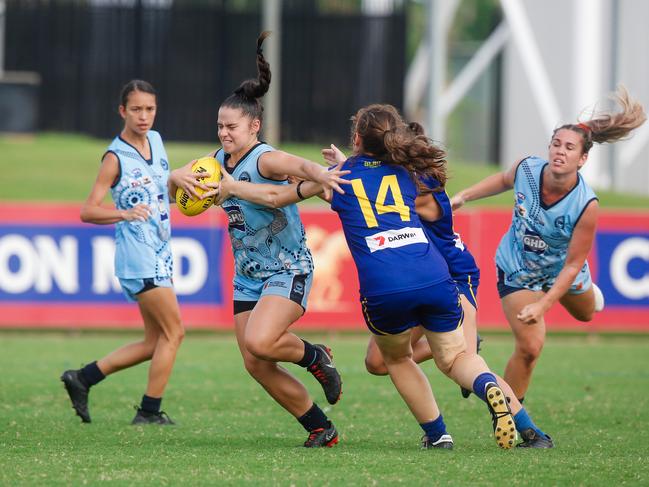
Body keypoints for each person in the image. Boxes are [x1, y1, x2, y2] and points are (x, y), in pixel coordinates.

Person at [213, 104, 518, 450]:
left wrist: (235, 188)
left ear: (357, 138)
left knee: (396, 358)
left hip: (386, 287)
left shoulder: (341, 176)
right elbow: (387, 186)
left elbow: (285, 194)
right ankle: (486, 386)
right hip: (435, 276)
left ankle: (438, 435)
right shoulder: (410, 173)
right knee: (455, 358)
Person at [170, 32, 348, 448]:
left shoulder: (263, 158)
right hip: (248, 275)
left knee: (260, 341)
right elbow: (176, 190)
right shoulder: (214, 163)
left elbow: (293, 169)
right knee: (255, 361)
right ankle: (321, 428)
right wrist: (172, 177)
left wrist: (318, 174)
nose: (224, 133)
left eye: (231, 126)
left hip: (287, 270)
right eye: (219, 126)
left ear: (254, 126)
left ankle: (314, 356)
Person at [323, 127, 553, 448]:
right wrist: (352, 163)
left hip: (454, 277)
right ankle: (458, 350)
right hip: (435, 277)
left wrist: (347, 167)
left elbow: (372, 195)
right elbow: (376, 189)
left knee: (463, 362)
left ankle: (531, 432)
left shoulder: (414, 188)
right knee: (377, 363)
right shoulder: (413, 179)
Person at [451, 86, 646, 406]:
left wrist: (544, 306)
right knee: (530, 348)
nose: (560, 151)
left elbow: (572, 264)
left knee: (586, 314)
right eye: (556, 144)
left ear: (582, 159)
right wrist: (464, 196)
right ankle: (512, 418)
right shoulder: (528, 168)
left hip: (562, 269)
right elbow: (502, 179)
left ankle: (587, 293)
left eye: (569, 147)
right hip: (518, 268)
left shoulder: (586, 204)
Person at [61, 80, 188, 425]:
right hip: (138, 257)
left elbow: (162, 194)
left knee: (153, 342)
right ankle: (149, 412)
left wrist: (189, 191)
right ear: (123, 111)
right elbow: (89, 210)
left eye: (150, 109)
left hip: (161, 253)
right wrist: (124, 213)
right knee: (174, 333)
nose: (144, 116)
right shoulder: (114, 157)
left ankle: (83, 378)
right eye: (136, 109)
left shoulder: (157, 142)